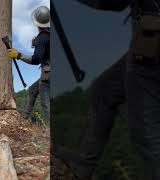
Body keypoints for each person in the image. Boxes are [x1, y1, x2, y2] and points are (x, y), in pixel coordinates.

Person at [53, 0, 160, 179]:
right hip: (146, 47)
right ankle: (84, 165)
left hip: (151, 54)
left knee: (149, 137)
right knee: (104, 91)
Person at [7, 5, 51, 122]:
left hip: (48, 75)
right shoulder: (50, 35)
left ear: (37, 23)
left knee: (46, 106)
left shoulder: (42, 38)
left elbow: (36, 60)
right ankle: (24, 117)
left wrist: (19, 55)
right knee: (32, 90)